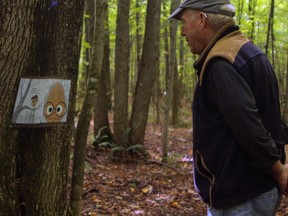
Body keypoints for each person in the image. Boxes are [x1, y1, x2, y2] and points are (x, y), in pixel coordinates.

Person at [169, 0, 288, 215]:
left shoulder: (220, 64)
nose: (183, 32)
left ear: (202, 20)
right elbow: (271, 118)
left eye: (184, 23)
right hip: (254, 193)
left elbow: (249, 127)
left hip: (241, 198)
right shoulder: (250, 52)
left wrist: (279, 171)